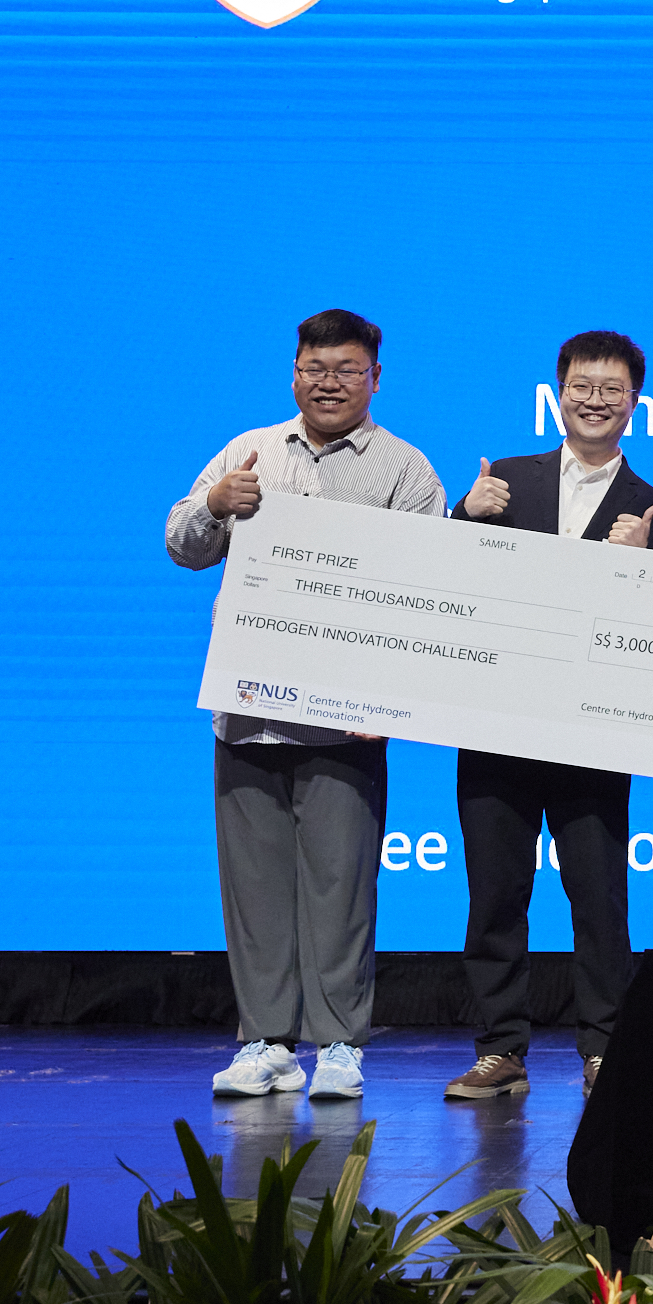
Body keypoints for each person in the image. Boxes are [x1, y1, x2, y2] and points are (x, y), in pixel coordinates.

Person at [167, 309, 446, 1100]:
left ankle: (339, 1044)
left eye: (346, 369)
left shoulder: (404, 469)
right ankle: (263, 1041)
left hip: (345, 718)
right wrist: (216, 502)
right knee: (252, 889)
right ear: (294, 372)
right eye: (314, 367)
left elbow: (426, 592)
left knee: (340, 885)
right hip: (246, 708)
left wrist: (396, 700)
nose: (328, 382)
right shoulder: (247, 450)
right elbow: (182, 547)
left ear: (374, 379)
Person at [444, 330, 653, 1100]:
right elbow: (444, 586)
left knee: (600, 895)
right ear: (559, 390)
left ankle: (604, 1047)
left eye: (613, 388)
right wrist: (461, 516)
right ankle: (500, 1048)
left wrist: (646, 562)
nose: (597, 399)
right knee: (495, 892)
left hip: (591, 736)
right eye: (584, 384)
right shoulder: (503, 480)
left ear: (635, 403)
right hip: (496, 728)